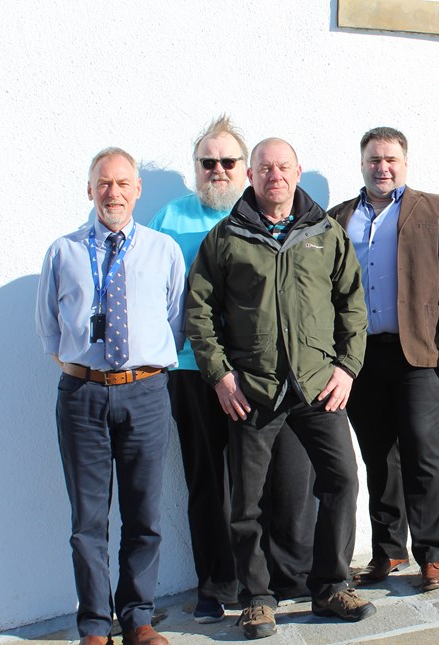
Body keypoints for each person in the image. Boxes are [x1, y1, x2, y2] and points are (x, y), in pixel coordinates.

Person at [186, 138, 373, 639]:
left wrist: (347, 368)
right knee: (245, 503)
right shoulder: (227, 238)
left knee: (342, 482)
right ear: (250, 175)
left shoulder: (325, 233)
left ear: (298, 172)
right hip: (255, 390)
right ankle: (257, 599)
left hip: (317, 386)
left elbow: (353, 305)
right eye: (265, 168)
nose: (275, 176)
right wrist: (220, 376)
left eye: (283, 167)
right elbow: (198, 312)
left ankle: (331, 586)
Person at [149, 116, 317, 623]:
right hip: (193, 370)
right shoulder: (167, 220)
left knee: (281, 478)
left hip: (261, 370)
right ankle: (217, 584)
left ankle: (287, 577)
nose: (217, 170)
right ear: (195, 168)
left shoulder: (260, 218)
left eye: (227, 162)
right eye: (208, 162)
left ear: (245, 170)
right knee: (209, 481)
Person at [35, 148, 186, 645]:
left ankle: (137, 619)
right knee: (88, 520)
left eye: (123, 183)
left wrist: (139, 368)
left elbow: (175, 324)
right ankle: (95, 627)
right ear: (90, 190)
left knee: (143, 513)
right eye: (104, 183)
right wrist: (82, 368)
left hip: (145, 393)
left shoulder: (163, 250)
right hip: (82, 395)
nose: (113, 193)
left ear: (138, 190)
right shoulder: (63, 251)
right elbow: (49, 329)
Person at [328, 126, 439, 591]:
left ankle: (432, 555)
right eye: (374, 159)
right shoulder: (338, 218)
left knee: (420, 449)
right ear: (362, 164)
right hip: (360, 356)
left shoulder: (436, 208)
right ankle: (388, 552)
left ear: (405, 163)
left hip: (420, 352)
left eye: (391, 159)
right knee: (377, 456)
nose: (383, 167)